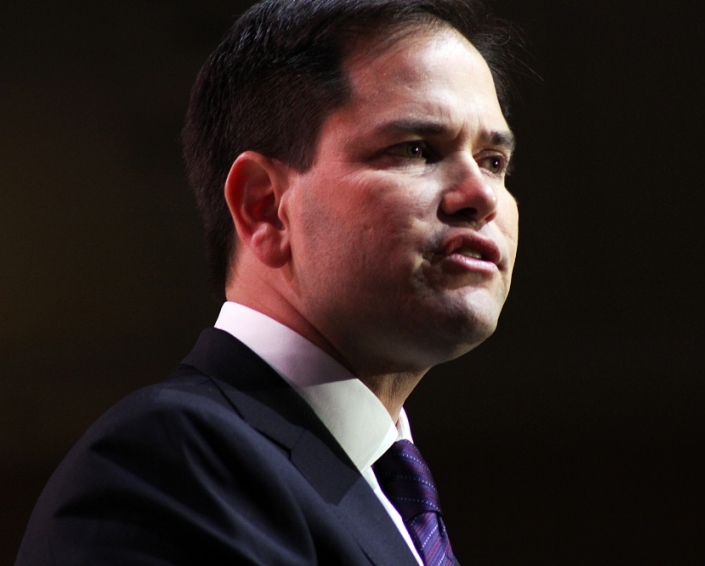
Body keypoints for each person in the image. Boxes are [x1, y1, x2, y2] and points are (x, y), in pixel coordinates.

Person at [16, 0, 519, 564]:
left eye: (494, 161)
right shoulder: (172, 462)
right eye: (416, 150)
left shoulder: (388, 492)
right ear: (265, 207)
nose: (481, 196)